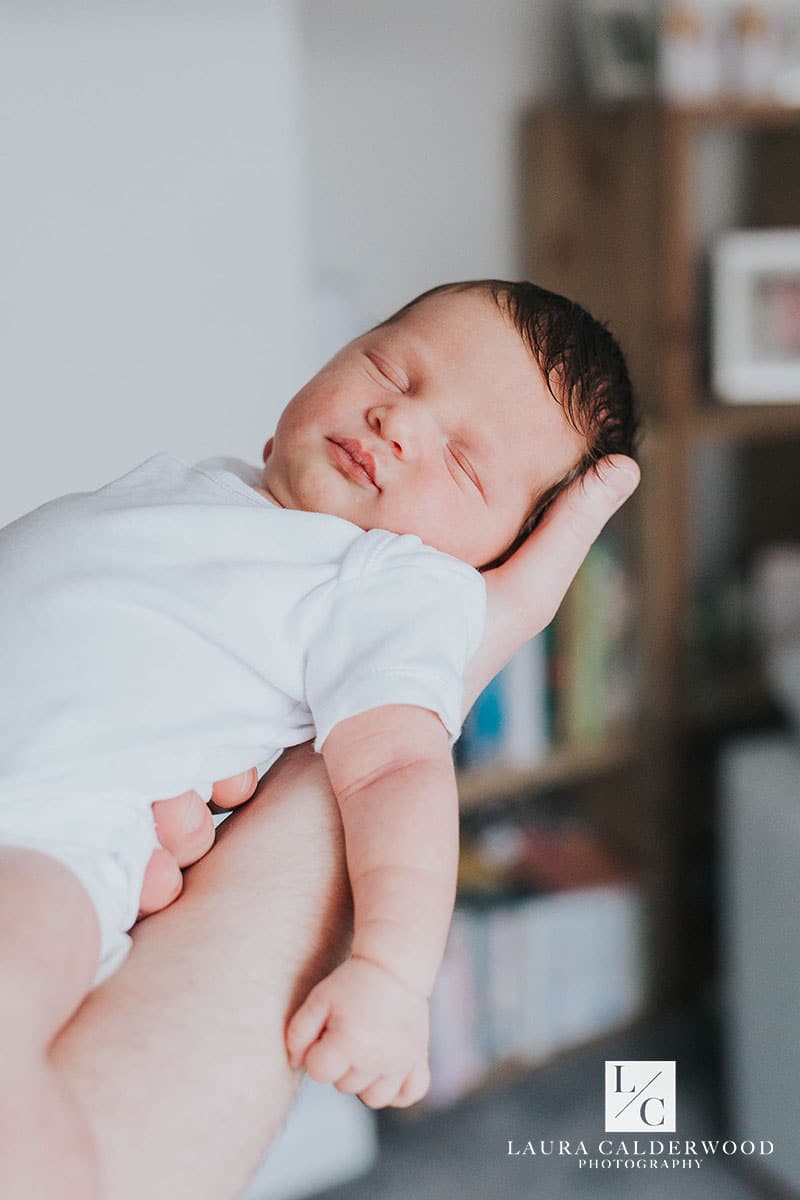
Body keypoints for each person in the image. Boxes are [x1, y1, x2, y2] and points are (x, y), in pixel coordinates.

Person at [0, 279, 638, 1195]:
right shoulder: (213, 487)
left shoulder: (392, 587)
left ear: (487, 562)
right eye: (391, 368)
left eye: (463, 461)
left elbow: (397, 775)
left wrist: (390, 970)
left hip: (39, 845)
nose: (399, 423)